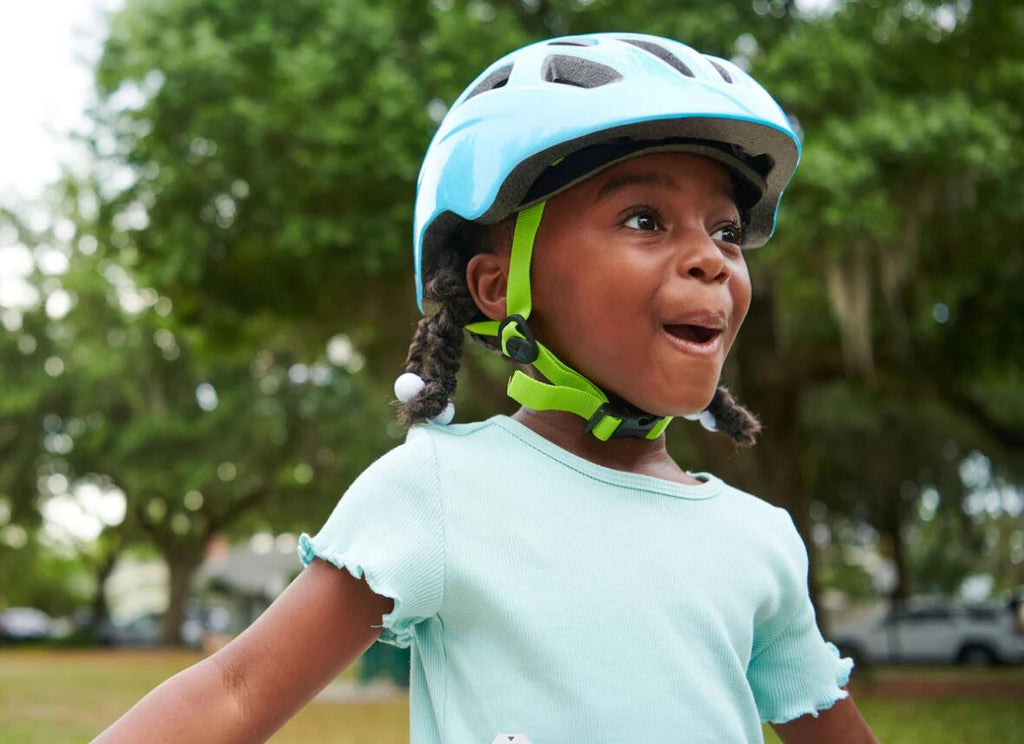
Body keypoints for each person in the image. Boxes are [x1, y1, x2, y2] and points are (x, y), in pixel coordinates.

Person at [94, 33, 878, 744]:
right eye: (644, 219)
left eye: (727, 231)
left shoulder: (759, 539)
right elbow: (234, 692)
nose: (710, 257)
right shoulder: (437, 491)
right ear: (499, 286)